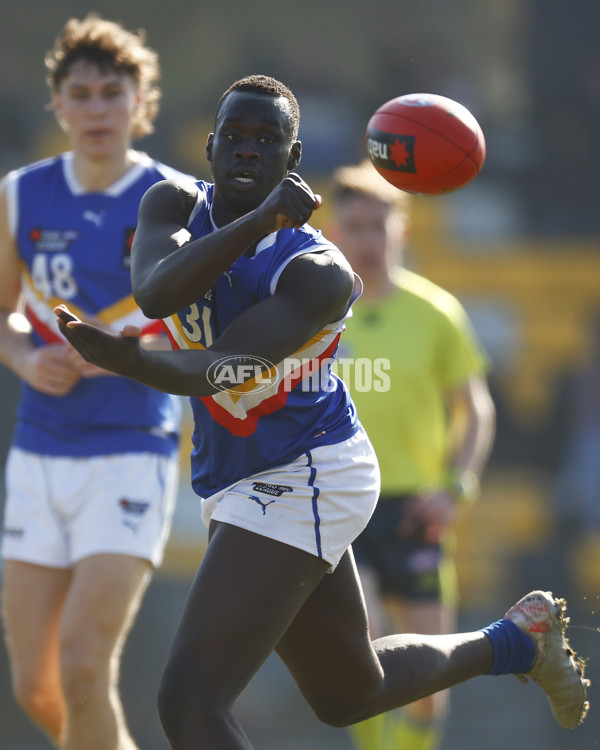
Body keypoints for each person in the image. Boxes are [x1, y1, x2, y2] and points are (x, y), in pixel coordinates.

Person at [54, 74, 589, 750]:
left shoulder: (319, 271)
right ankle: (515, 643)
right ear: (212, 145)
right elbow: (159, 293)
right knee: (349, 694)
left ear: (293, 158)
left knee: (190, 701)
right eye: (236, 137)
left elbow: (219, 368)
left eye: (267, 139)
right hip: (244, 472)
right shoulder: (171, 201)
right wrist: (251, 221)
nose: (248, 150)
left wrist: (126, 358)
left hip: (306, 470)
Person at [0, 15, 195, 750]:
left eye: (112, 93)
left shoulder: (178, 200)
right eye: (79, 94)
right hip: (39, 450)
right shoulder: (20, 194)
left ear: (141, 100)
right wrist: (24, 359)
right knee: (36, 685)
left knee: (85, 667)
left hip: (130, 447)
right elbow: (2, 314)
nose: (96, 110)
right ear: (57, 104)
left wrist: (130, 348)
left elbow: (203, 323)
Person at [328, 161, 496, 750]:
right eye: (355, 225)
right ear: (335, 232)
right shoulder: (317, 316)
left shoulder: (436, 314)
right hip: (346, 506)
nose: (368, 238)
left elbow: (477, 409)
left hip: (416, 509)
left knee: (430, 683)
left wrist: (456, 488)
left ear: (403, 227)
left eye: (379, 224)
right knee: (367, 647)